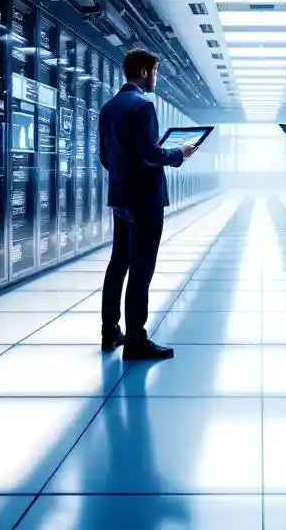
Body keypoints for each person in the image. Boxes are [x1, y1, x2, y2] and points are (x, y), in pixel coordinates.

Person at [99, 49, 198, 361]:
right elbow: (151, 155)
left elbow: (105, 158)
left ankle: (110, 331)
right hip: (145, 200)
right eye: (155, 71)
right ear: (143, 72)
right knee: (142, 269)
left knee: (119, 263)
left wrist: (125, 176)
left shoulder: (109, 107)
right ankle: (136, 341)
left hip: (121, 198)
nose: (156, 78)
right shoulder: (143, 106)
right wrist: (180, 153)